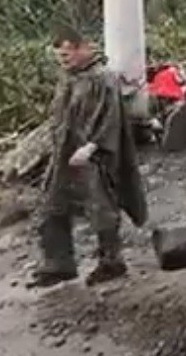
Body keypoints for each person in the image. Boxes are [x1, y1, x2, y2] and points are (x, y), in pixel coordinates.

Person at [32, 28, 147, 288]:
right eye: (60, 55)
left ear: (83, 48)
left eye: (68, 53)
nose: (64, 59)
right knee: (52, 205)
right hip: (64, 153)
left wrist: (93, 147)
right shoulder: (68, 79)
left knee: (101, 207)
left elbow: (112, 118)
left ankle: (111, 262)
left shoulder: (103, 79)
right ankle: (58, 264)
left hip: (94, 155)